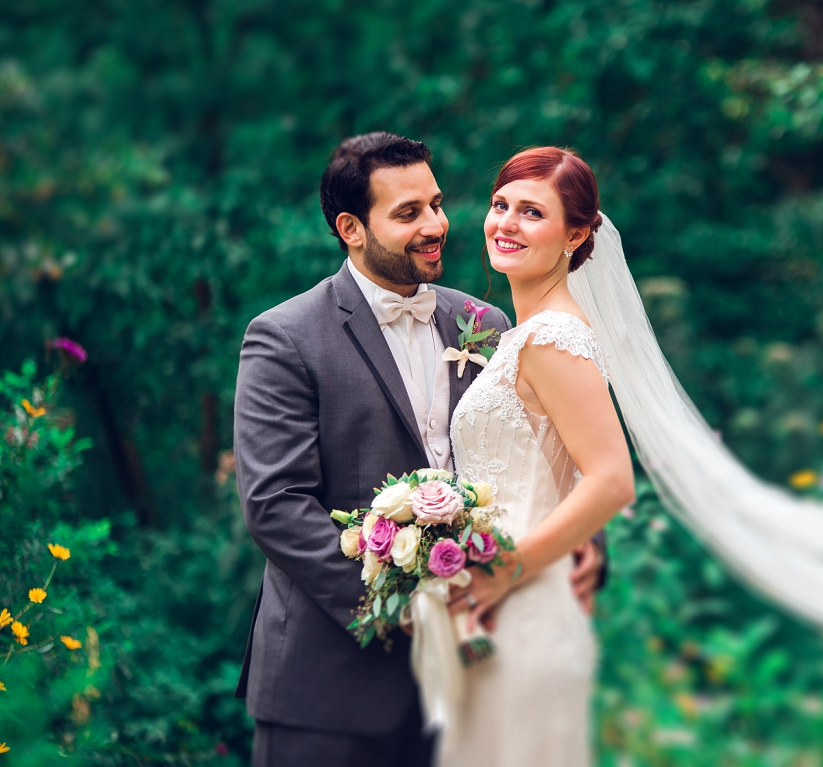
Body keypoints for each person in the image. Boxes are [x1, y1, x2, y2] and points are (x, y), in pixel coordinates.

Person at [232, 133, 606, 767]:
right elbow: (275, 504)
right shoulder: (285, 338)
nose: (436, 225)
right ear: (351, 228)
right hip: (330, 689)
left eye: (435, 204)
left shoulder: (486, 325)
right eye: (408, 214)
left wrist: (581, 544)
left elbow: (545, 453)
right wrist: (405, 606)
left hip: (471, 686)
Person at [439, 147, 635, 767]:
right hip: (496, 614)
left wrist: (507, 571)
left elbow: (610, 480)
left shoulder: (553, 339)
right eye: (501, 206)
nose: (506, 224)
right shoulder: (521, 335)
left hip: (521, 608)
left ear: (575, 235)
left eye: (531, 212)